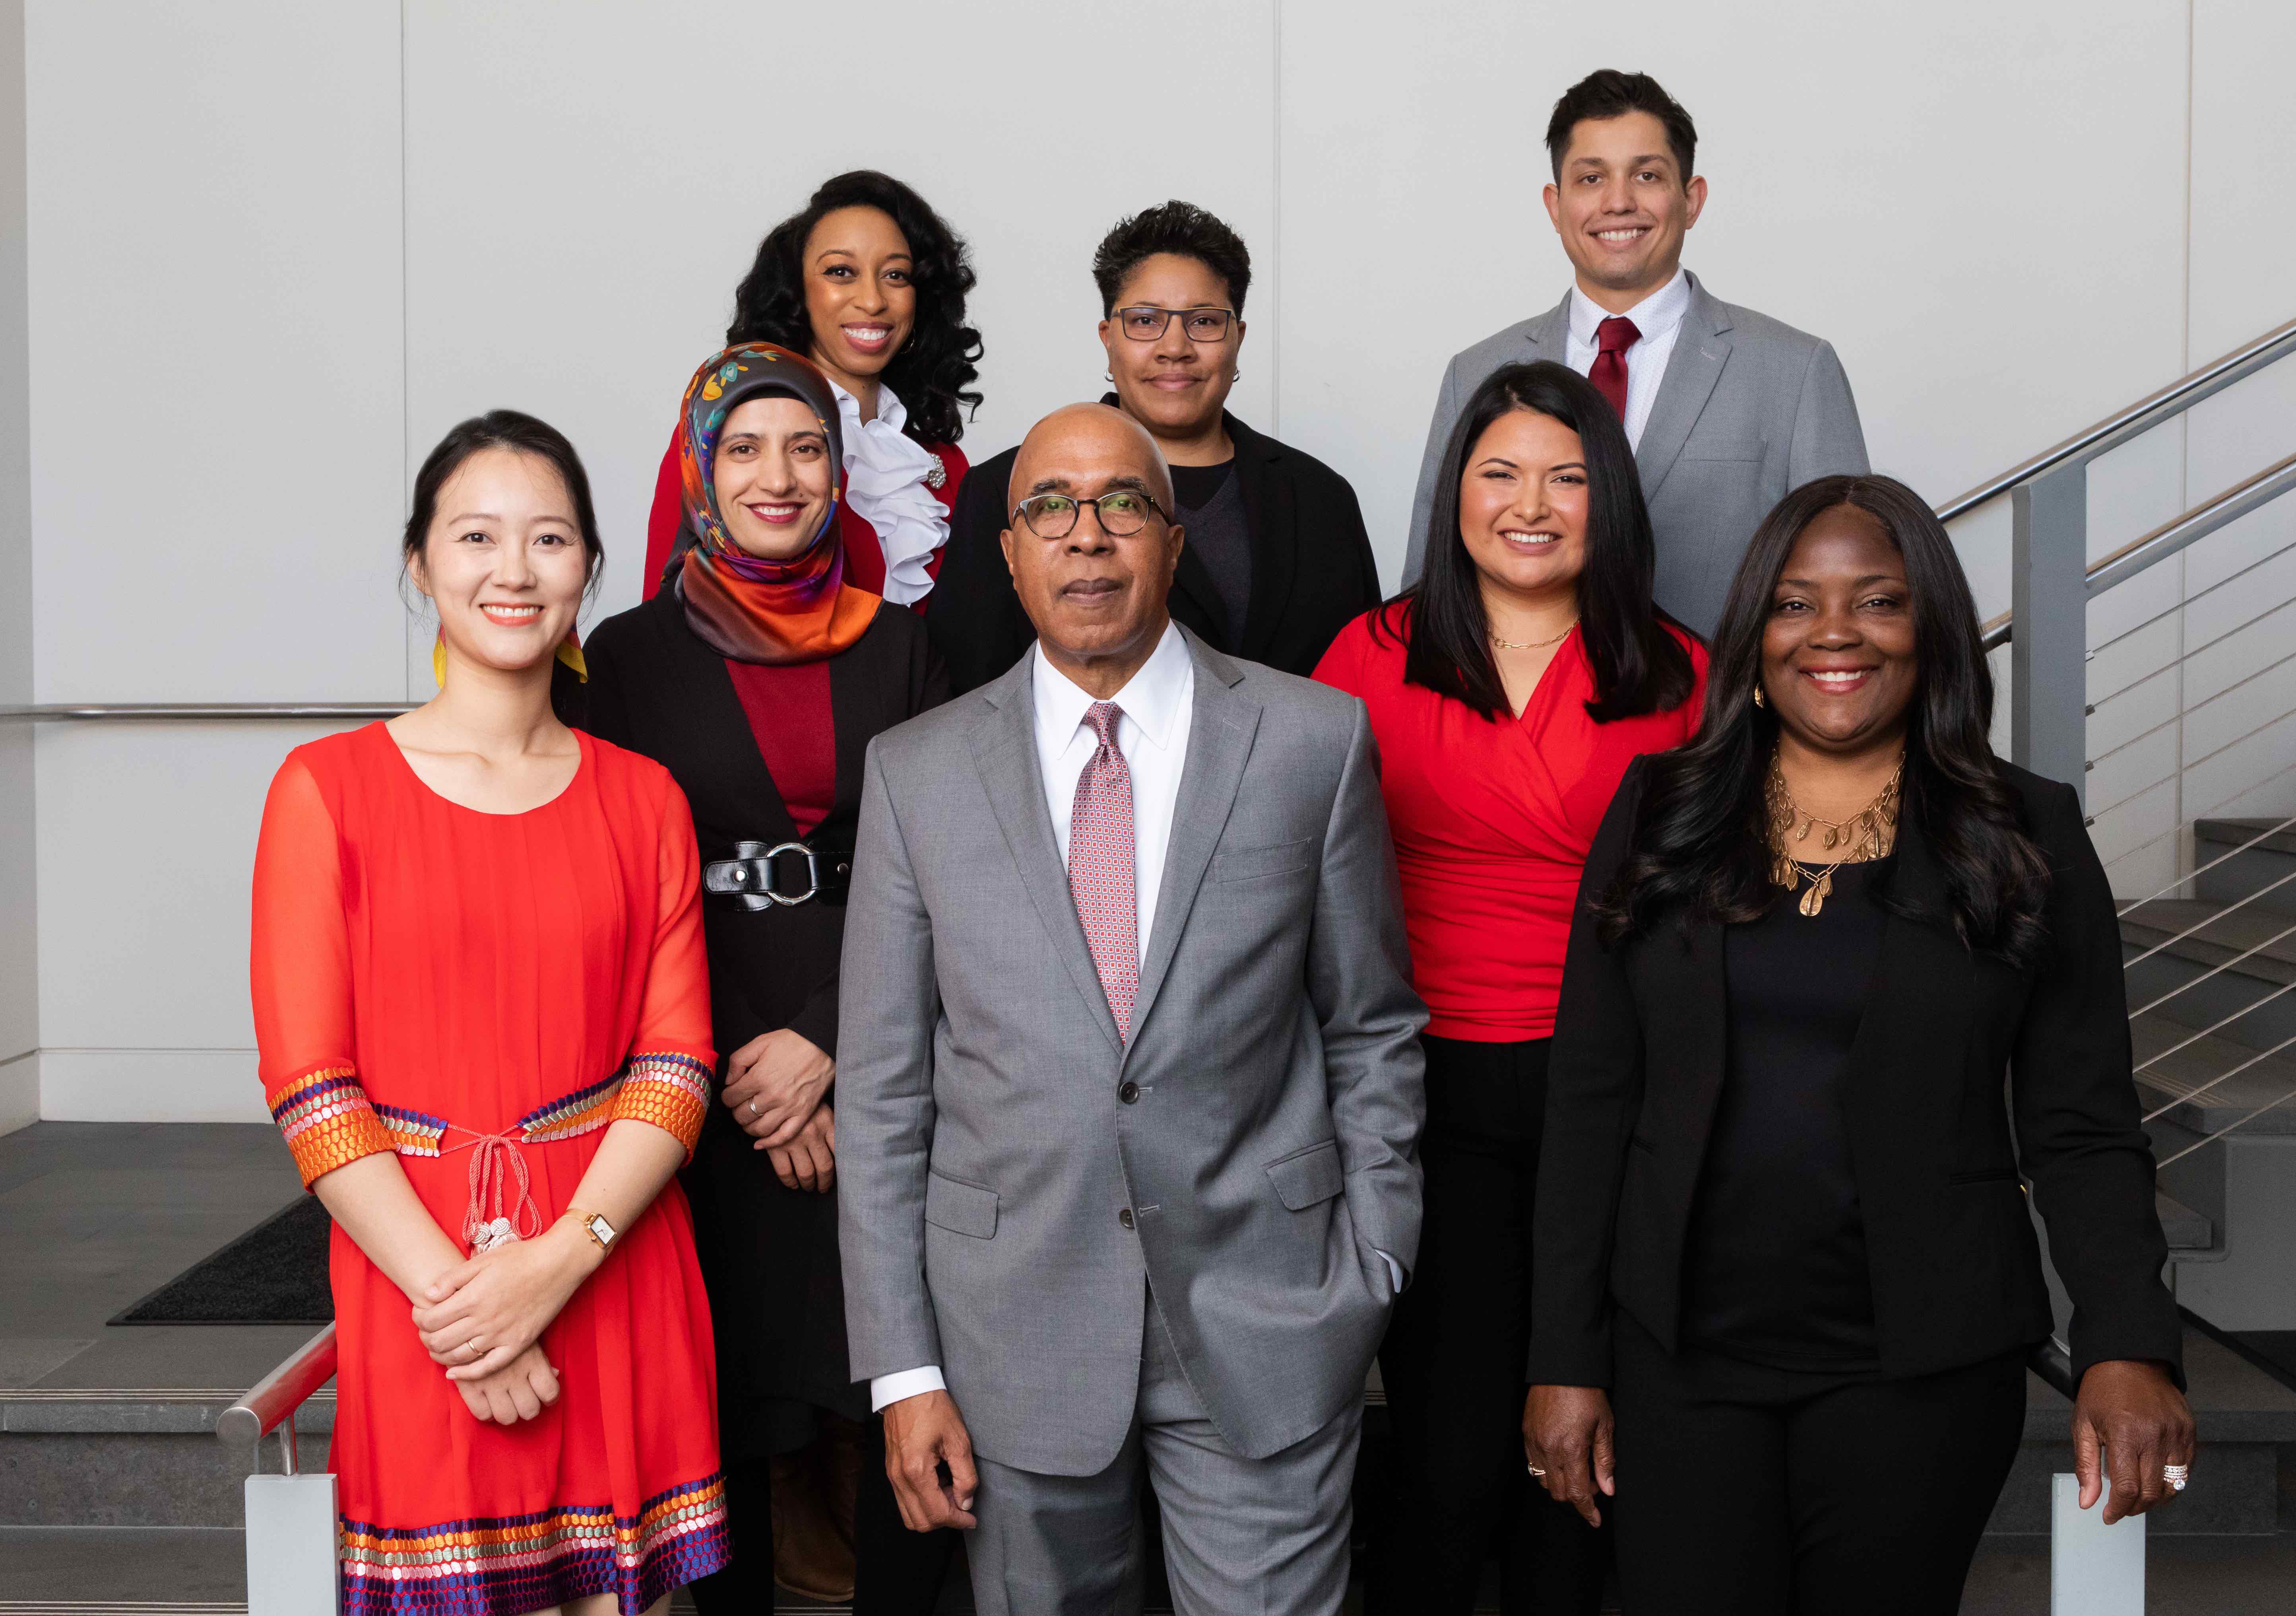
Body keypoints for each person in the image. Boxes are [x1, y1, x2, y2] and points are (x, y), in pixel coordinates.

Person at [1522, 475, 2195, 1614]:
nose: (1833, 633)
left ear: (1928, 627)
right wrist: (1561, 1356)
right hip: (1678, 1360)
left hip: (1921, 1368)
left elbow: (2080, 1122)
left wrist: (2126, 1342)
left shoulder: (2021, 831)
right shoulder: (1661, 809)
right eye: (1794, 604)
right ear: (1754, 635)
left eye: (1875, 602)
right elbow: (1591, 1102)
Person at [835, 402, 1427, 1614]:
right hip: (1011, 1337)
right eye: (1049, 508)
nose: (1086, 537)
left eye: (1122, 506)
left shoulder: (1310, 740)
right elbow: (885, 1095)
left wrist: (1371, 1263)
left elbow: (1369, 1025)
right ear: (1008, 554)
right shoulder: (917, 773)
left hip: (1272, 1316)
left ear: (1171, 541)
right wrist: (904, 1370)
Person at [252, 410, 725, 1614]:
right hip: (416, 1278)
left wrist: (558, 1265)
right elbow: (312, 1089)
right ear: (421, 563)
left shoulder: (645, 797)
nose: (513, 571)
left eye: (550, 538)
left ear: (590, 569)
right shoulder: (326, 791)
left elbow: (675, 1065)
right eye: (476, 537)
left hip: (615, 1257)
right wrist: (465, 1311)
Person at [1313, 360, 1703, 1614]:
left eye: (1566, 475)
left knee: (1596, 1423)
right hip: (1426, 1082)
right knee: (1448, 1433)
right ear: (1454, 492)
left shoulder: (1682, 672)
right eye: (1498, 473)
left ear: (1611, 500)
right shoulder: (1368, 654)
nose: (1529, 503)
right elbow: (1288, 884)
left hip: (1627, 1086)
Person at [587, 345, 962, 1613]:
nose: (777, 476)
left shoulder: (904, 644)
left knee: (900, 1368)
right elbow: (625, 887)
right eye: (743, 448)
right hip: (705, 1066)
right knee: (730, 1382)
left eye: (806, 448)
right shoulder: (626, 660)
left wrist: (830, 1050)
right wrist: (755, 1064)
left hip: (877, 1055)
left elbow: (942, 872)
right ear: (697, 470)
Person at [1399, 70, 1869, 634]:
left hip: (1723, 715)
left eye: (1646, 175)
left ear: (1691, 200)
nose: (1617, 202)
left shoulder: (1795, 371)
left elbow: (1848, 581)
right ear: (1555, 205)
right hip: (1510, 715)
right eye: (1591, 178)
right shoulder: (1476, 372)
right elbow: (1427, 587)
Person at [927, 201, 1380, 692]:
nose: (1174, 347)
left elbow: (1365, 689)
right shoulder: (1007, 488)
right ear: (1108, 338)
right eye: (1145, 321)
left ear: (1237, 337)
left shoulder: (1320, 499)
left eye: (1204, 322)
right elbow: (972, 700)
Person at [643, 171, 981, 610]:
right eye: (841, 272)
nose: (873, 300)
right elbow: (662, 616)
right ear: (797, 293)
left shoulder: (946, 464)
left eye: (896, 275)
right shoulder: (724, 434)